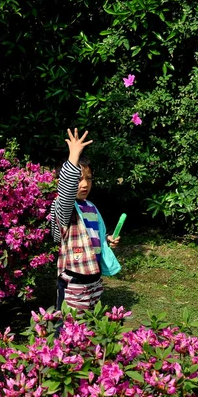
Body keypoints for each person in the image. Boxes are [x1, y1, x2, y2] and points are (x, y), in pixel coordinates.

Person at [50, 128, 121, 315]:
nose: (84, 184)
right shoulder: (64, 206)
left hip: (94, 278)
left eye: (88, 179)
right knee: (68, 328)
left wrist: (106, 240)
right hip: (74, 281)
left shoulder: (90, 206)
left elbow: (91, 234)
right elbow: (66, 190)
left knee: (89, 328)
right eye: (79, 179)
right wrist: (73, 155)